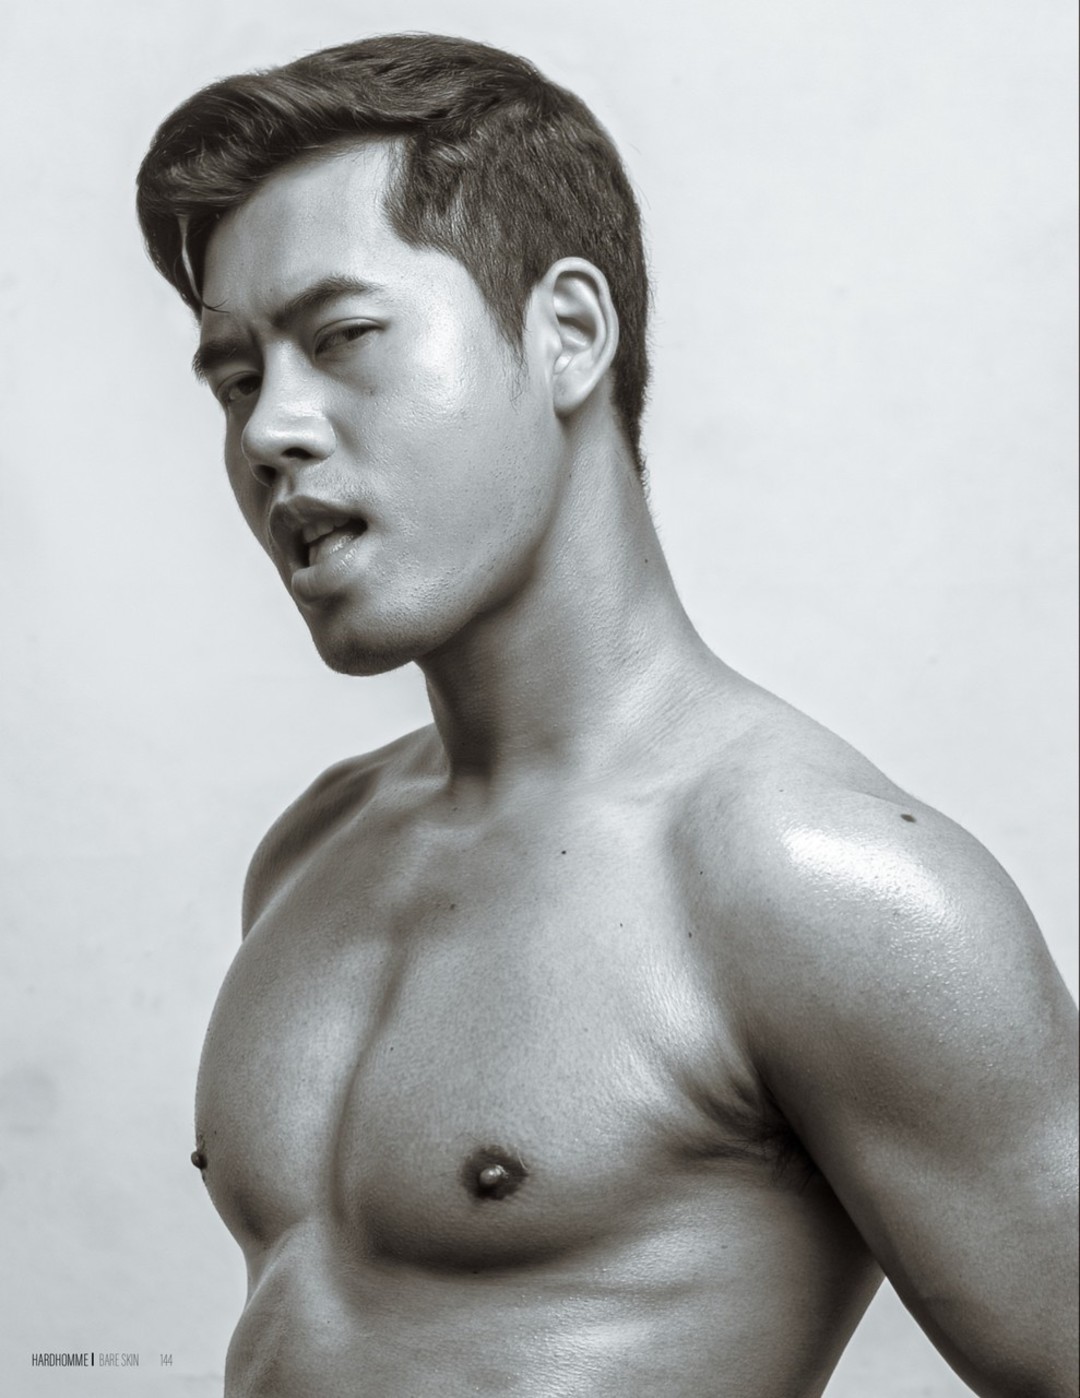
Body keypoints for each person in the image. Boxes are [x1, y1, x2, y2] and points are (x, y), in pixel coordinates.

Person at [136, 34, 1077, 1397]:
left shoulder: (817, 888)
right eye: (237, 377)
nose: (272, 428)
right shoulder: (311, 853)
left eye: (340, 339)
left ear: (567, 334)